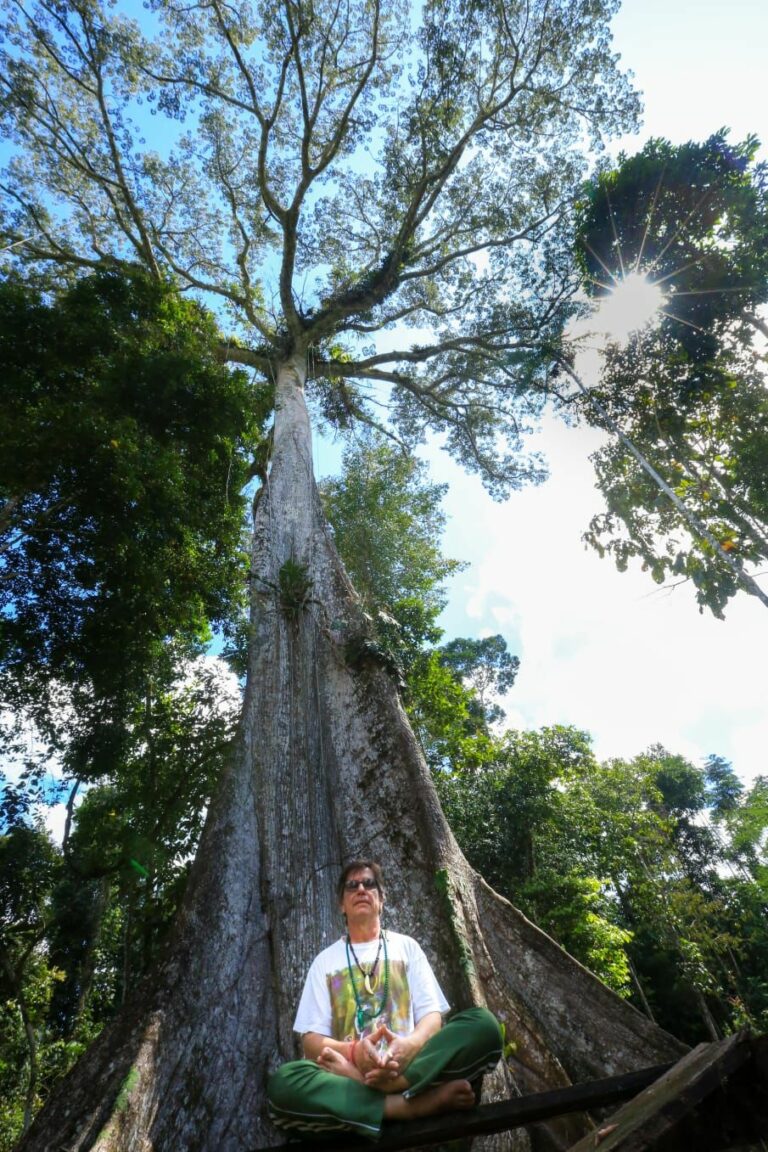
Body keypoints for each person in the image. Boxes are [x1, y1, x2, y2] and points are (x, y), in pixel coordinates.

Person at [267, 859, 503, 1140]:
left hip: (411, 1066)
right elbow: (311, 1042)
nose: (361, 889)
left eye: (369, 884)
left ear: (381, 900)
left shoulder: (407, 947)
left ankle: (391, 1088)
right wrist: (354, 1056)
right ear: (342, 905)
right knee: (283, 1084)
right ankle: (405, 1106)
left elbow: (432, 1018)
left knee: (484, 1025)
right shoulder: (324, 962)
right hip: (348, 1073)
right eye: (351, 886)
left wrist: (410, 1047)